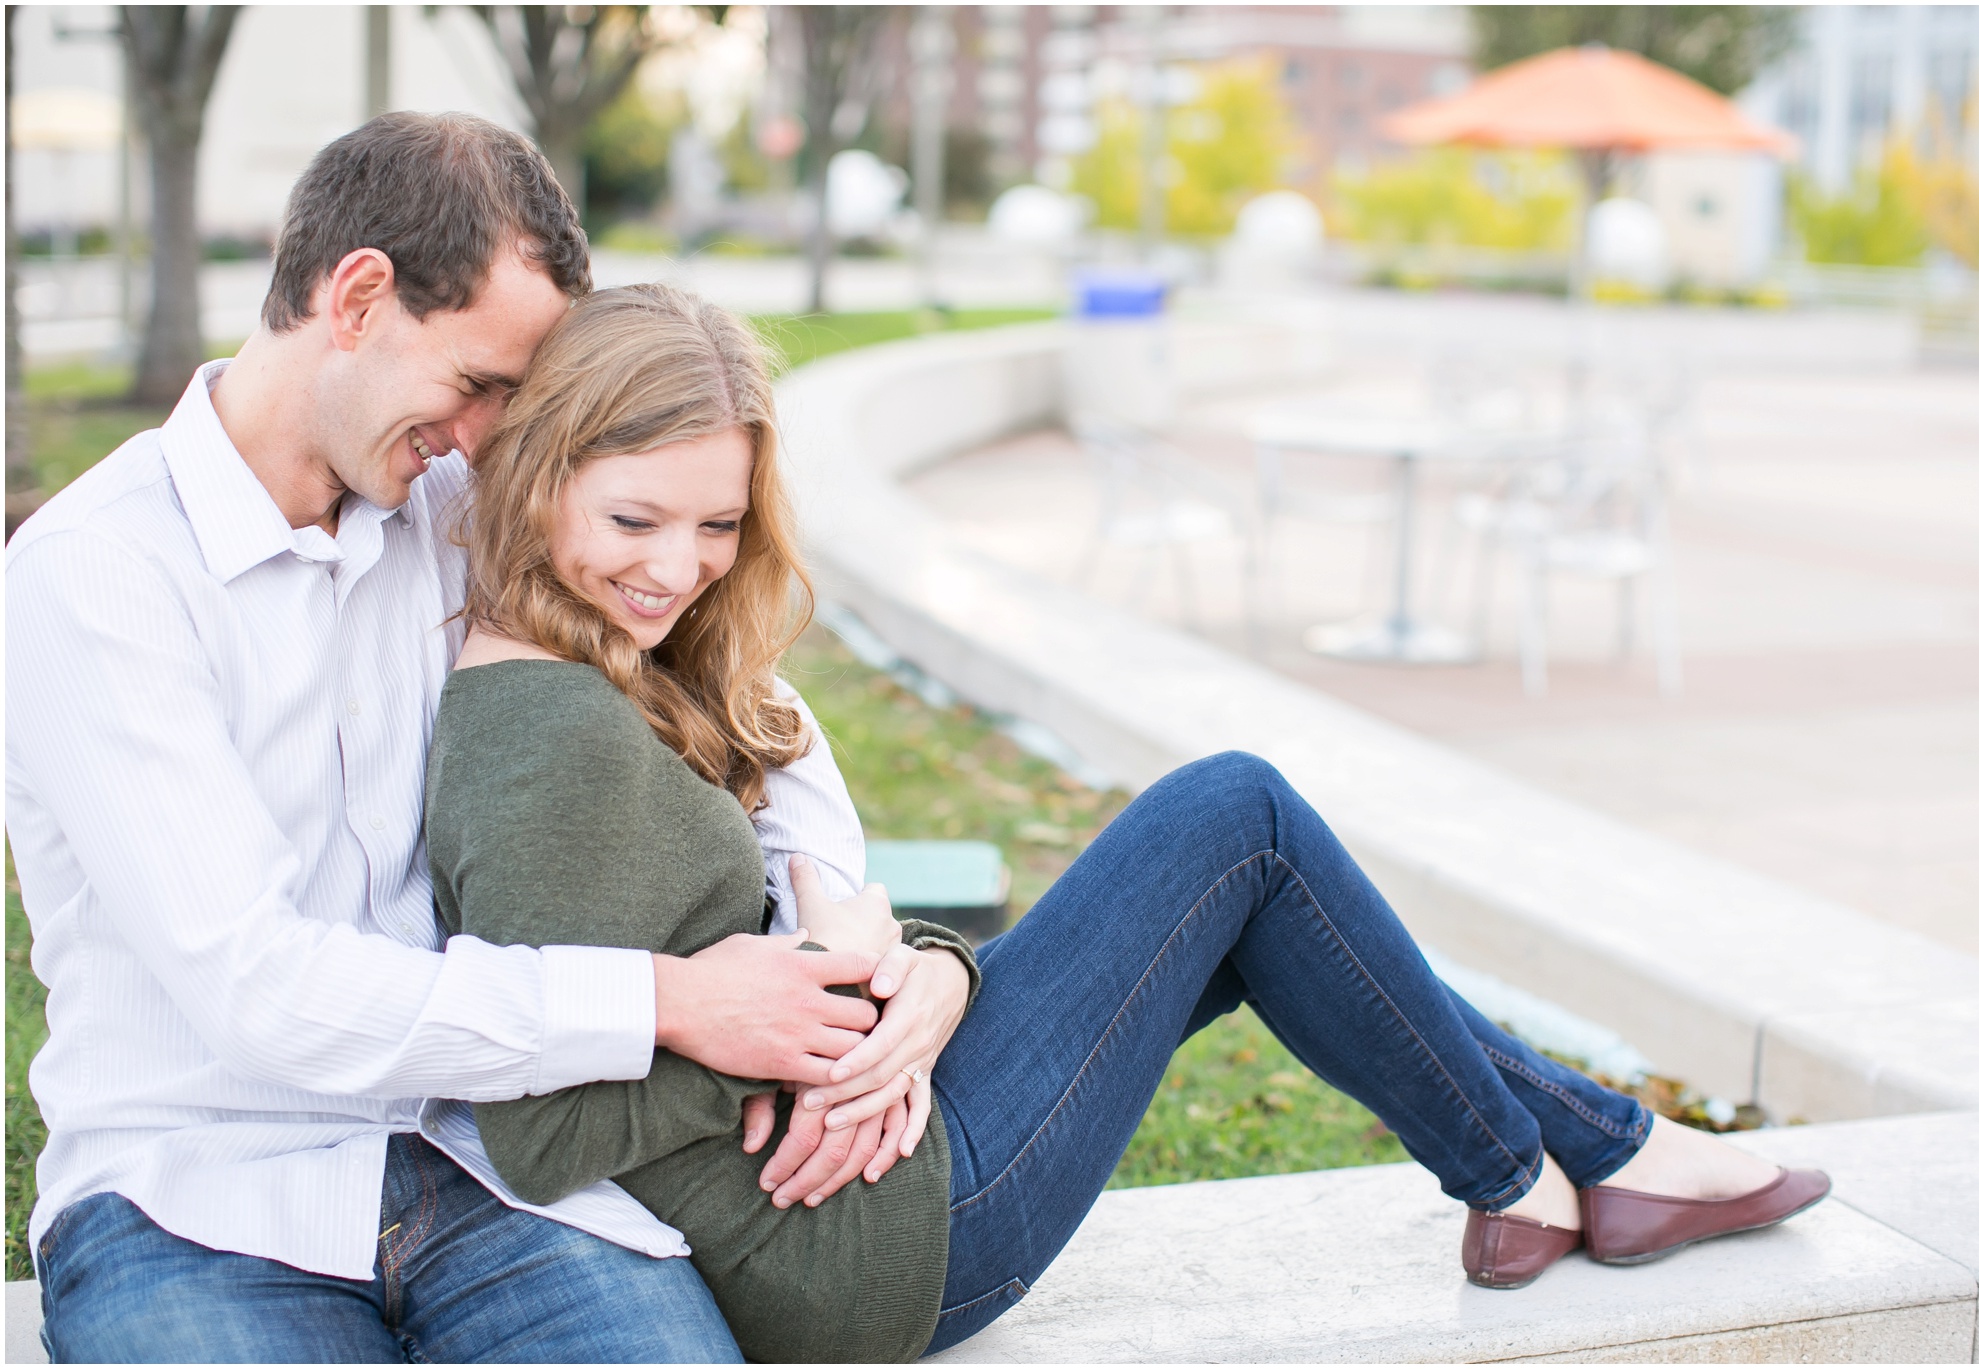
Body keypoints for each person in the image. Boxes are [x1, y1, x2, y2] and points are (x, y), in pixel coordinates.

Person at [429, 282, 1833, 1363]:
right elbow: (542, 1126)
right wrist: (788, 1049)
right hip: (868, 1238)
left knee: (1260, 900)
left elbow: (760, 958)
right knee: (1240, 818)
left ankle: (1559, 1162)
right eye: (635, 520)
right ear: (540, 470)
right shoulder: (547, 732)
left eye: (716, 526)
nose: (677, 568)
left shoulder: (598, 668)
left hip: (868, 1173)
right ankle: (1582, 1162)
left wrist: (912, 981)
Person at [6, 113, 927, 1364]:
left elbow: (756, 712)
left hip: (485, 1175)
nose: (491, 434)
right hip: (189, 1196)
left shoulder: (452, 507)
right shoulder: (96, 577)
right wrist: (666, 1002)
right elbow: (261, 989)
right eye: (480, 382)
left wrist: (831, 924)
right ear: (359, 296)